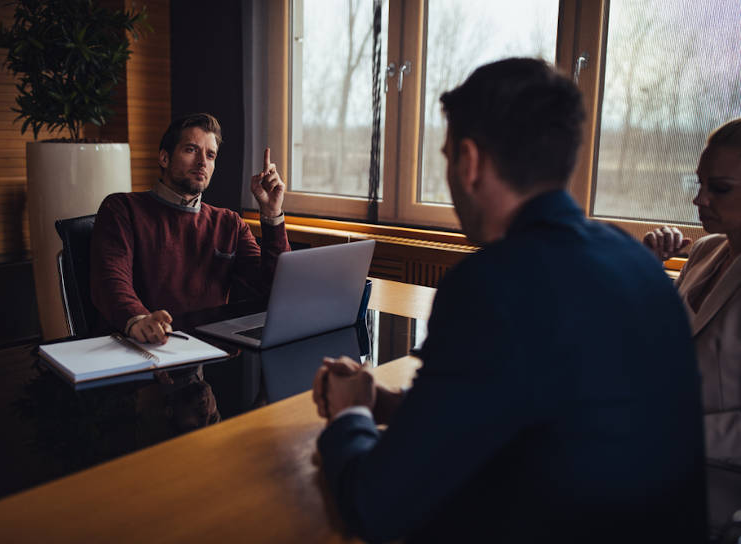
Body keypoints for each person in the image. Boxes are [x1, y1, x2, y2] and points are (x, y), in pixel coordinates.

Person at [311, 58, 706, 542]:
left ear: (470, 161)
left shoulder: (492, 284)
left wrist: (350, 412)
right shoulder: (639, 263)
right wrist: (389, 405)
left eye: (447, 156)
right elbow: (557, 406)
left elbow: (374, 508)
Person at [90, 113, 290, 344]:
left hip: (206, 352)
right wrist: (138, 319)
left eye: (210, 155)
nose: (202, 162)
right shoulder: (122, 208)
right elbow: (110, 279)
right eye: (191, 150)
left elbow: (273, 288)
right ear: (164, 158)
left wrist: (272, 213)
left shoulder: (229, 223)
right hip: (142, 347)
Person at [643, 119, 741, 463]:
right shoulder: (705, 250)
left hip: (722, 483)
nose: (699, 199)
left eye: (720, 188)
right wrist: (648, 270)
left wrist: (668, 431)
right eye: (700, 184)